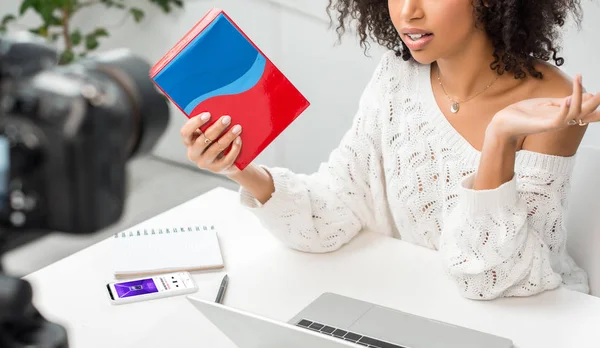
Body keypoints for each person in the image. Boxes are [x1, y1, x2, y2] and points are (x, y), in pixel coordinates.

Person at [180, 0, 600, 300]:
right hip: (419, 304)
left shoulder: (555, 103)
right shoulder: (397, 77)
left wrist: (500, 137)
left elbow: (495, 278)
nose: (407, 12)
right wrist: (240, 168)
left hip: (534, 322)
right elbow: (334, 211)